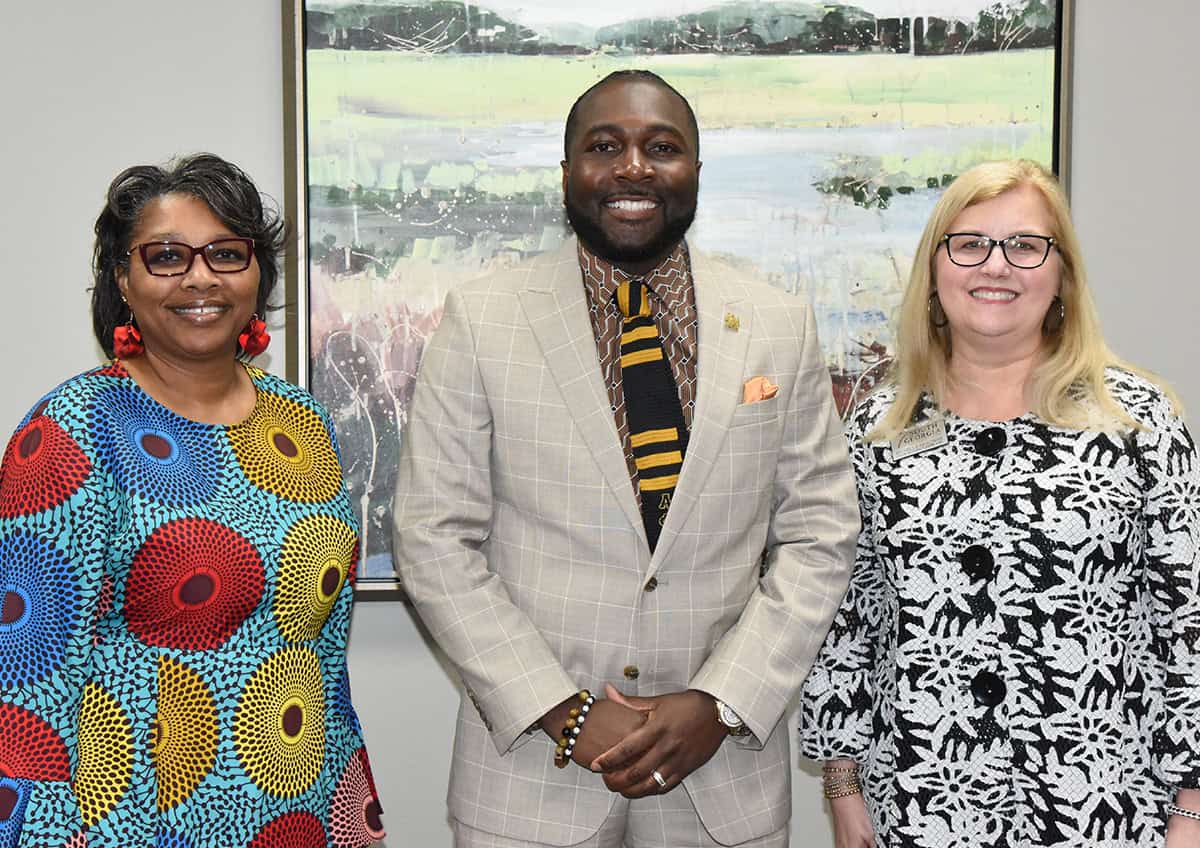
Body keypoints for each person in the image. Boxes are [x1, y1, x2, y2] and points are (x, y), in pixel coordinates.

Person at [393, 69, 860, 848]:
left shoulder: (779, 323)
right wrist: (560, 708)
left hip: (721, 778)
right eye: (604, 146)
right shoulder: (483, 320)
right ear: (568, 171)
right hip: (533, 780)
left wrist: (721, 701)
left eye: (662, 147)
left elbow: (820, 533)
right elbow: (432, 538)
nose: (633, 167)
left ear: (697, 171)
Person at [797, 159, 1200, 847]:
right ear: (934, 270)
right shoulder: (876, 432)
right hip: (922, 799)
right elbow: (846, 621)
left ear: (1061, 274)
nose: (996, 266)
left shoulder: (1138, 422)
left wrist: (1190, 808)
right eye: (970, 243)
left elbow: (1187, 620)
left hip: (1103, 807)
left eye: (1024, 245)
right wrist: (842, 785)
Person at [0, 154, 385, 847]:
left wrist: (350, 811)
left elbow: (322, 657)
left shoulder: (303, 423)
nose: (200, 277)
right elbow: (22, 685)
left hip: (297, 813)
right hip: (129, 822)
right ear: (123, 278)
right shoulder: (73, 430)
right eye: (167, 256)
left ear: (258, 274)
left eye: (226, 254)